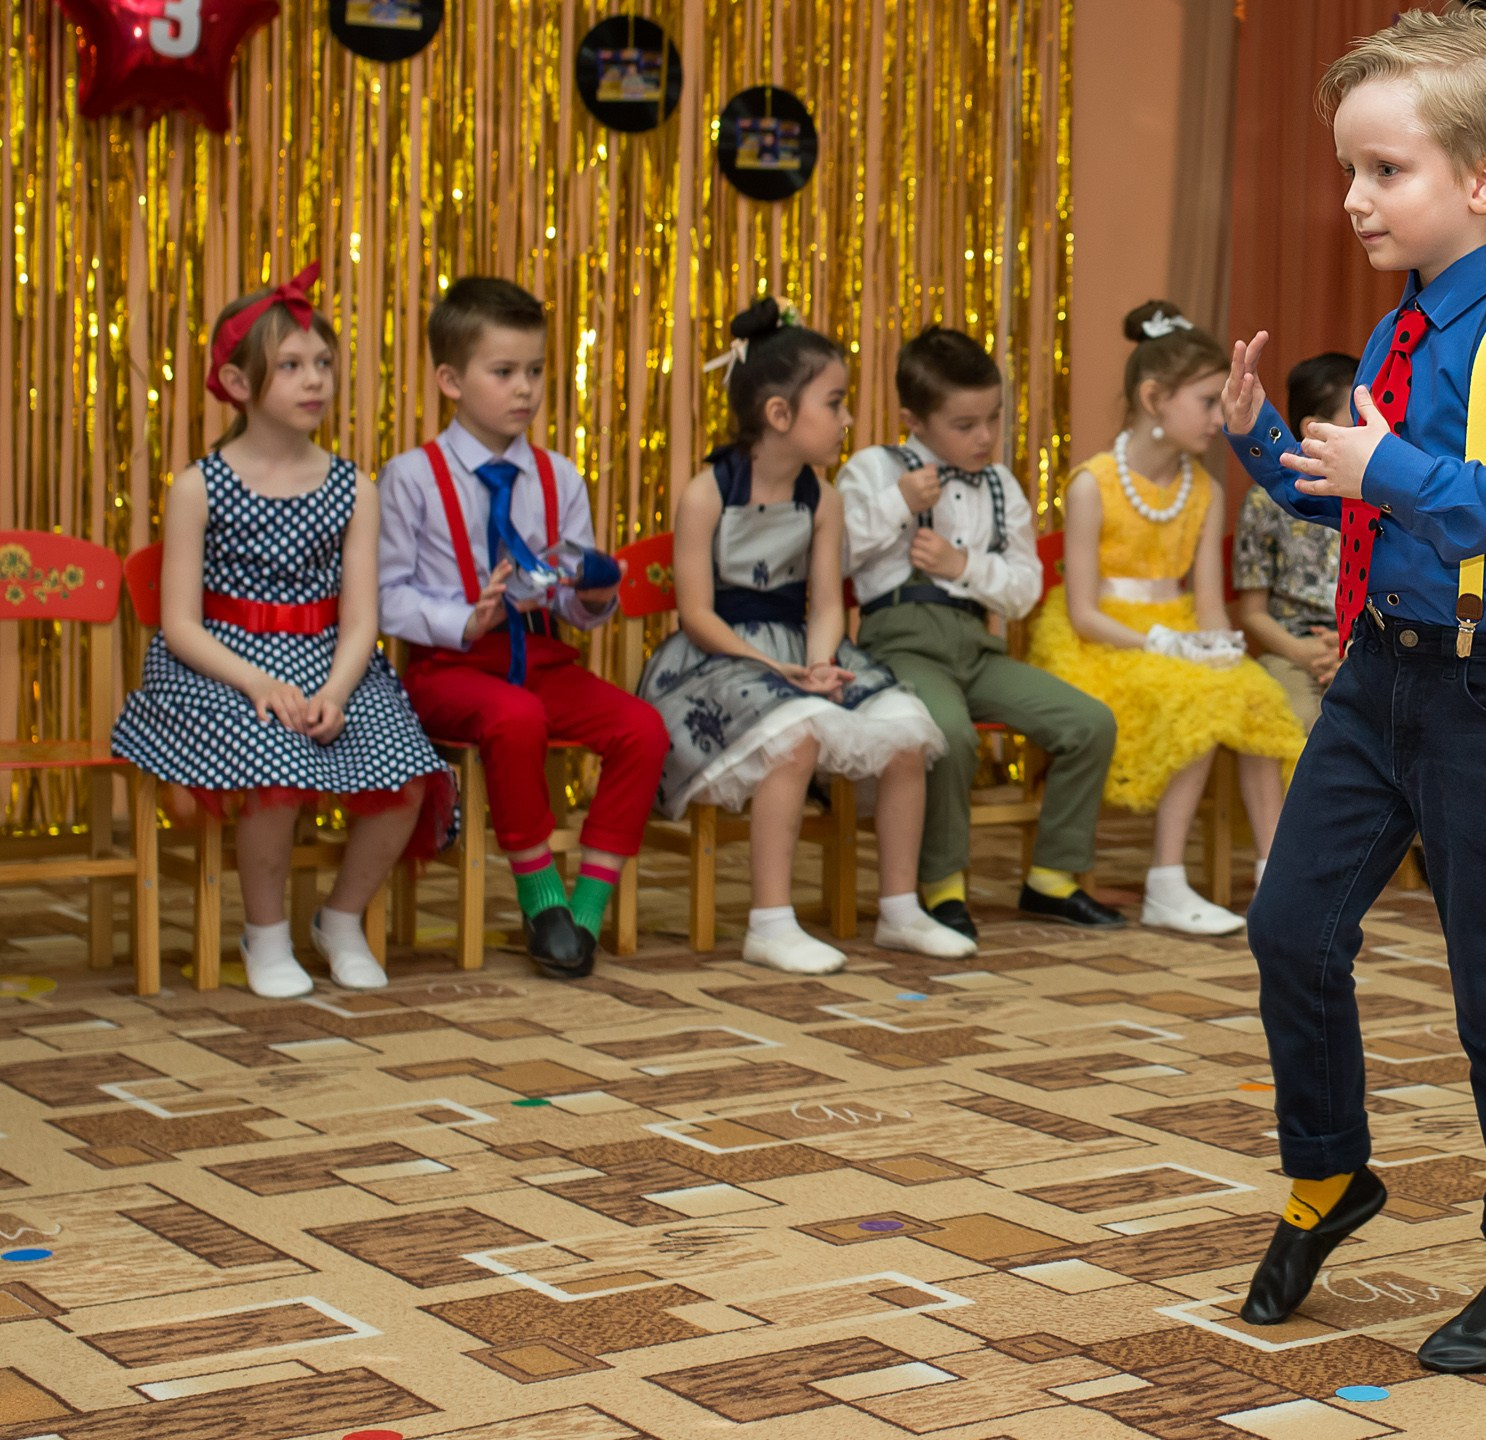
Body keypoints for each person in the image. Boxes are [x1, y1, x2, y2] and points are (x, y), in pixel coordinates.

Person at [1222, 5, 1486, 1375]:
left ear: (1483, 180)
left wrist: (1387, 472)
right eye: (1349, 170)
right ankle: (1333, 1178)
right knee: (1289, 931)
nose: (1353, 198)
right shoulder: (1403, 327)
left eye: (1383, 170)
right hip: (1380, 674)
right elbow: (1365, 499)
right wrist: (1263, 438)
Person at [114, 267, 453, 999]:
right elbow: (178, 624)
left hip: (327, 660)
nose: (315, 381)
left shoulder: (351, 487)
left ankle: (341, 918)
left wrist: (335, 689)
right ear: (236, 383)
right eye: (293, 366)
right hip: (220, 665)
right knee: (276, 764)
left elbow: (360, 617)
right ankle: (264, 934)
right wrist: (260, 682)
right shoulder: (198, 486)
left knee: (404, 771)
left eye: (324, 364)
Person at [640, 300, 960, 973]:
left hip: (796, 648)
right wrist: (776, 670)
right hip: (717, 658)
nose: (847, 419)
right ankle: (770, 921)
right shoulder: (707, 493)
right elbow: (695, 612)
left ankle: (900, 910)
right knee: (798, 734)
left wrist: (818, 662)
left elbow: (824, 605)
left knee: (907, 728)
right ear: (779, 414)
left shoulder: (824, 496)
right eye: (835, 402)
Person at [378, 277, 669, 982]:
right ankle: (541, 898)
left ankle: (586, 908)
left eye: (536, 371)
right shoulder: (410, 477)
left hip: (541, 657)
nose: (525, 390)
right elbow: (386, 599)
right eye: (503, 372)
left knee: (643, 729)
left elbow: (571, 604)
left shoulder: (559, 476)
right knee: (515, 718)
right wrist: (460, 618)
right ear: (450, 380)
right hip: (449, 668)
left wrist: (593, 597)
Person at [1028, 301, 1307, 937]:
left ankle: (1277, 877)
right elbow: (1082, 612)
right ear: (1155, 399)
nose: (1220, 418)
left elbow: (1208, 599)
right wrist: (1164, 645)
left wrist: (1216, 646)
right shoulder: (1092, 485)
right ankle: (1164, 881)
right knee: (1196, 705)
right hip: (1102, 642)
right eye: (1208, 402)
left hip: (1176, 631)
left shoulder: (1203, 491)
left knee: (1253, 697)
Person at [839, 326, 1123, 940]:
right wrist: (895, 503)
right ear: (914, 420)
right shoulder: (874, 470)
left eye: (993, 419)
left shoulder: (1002, 485)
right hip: (901, 643)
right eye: (964, 425)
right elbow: (833, 555)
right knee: (949, 735)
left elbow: (1023, 591)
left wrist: (962, 566)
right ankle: (942, 887)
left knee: (1088, 724)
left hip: (977, 646)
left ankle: (1052, 877)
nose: (985, 437)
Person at [1232, 353, 1355, 732]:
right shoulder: (1263, 501)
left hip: (1362, 647)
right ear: (1315, 429)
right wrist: (1303, 652)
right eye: (1356, 421)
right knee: (1299, 721)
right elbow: (1252, 611)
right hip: (1290, 649)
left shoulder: (1374, 494)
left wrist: (1348, 652)